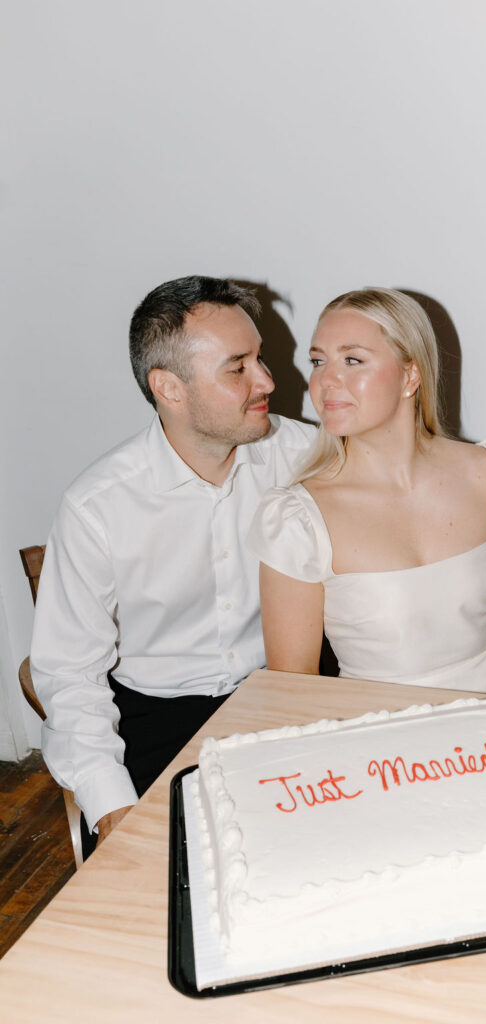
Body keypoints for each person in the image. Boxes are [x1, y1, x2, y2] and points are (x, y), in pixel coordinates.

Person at [30, 276, 315, 855]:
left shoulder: (304, 454)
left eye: (259, 358)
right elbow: (69, 674)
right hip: (152, 722)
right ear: (169, 388)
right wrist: (112, 804)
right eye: (238, 367)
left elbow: (411, 532)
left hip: (284, 698)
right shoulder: (98, 505)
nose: (268, 382)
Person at [248, 287, 486, 699]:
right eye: (318, 361)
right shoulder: (297, 520)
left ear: (410, 376)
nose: (325, 380)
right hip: (385, 739)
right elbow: (294, 690)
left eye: (352, 360)